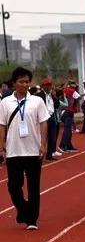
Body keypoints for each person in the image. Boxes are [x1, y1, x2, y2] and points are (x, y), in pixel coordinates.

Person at [0, 67, 49, 230]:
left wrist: (43, 144)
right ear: (14, 83)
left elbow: (43, 122)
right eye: (21, 81)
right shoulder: (5, 102)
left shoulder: (37, 101)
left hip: (33, 150)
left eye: (27, 81)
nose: (25, 84)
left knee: (34, 186)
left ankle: (32, 219)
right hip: (13, 151)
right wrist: (1, 145)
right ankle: (23, 209)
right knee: (13, 186)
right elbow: (2, 125)